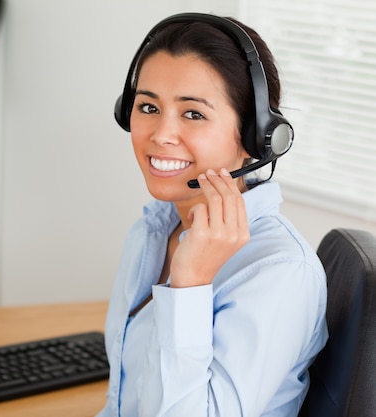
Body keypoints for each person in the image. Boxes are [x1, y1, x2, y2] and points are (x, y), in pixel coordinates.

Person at [96, 13, 328, 417]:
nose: (160, 135)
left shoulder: (279, 271)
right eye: (148, 106)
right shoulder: (153, 229)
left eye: (193, 114)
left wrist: (189, 285)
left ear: (257, 136)